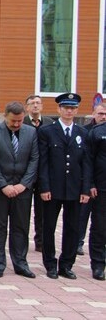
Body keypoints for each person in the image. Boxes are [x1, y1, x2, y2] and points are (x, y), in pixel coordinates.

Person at [38, 93, 92, 279]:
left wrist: (85, 189)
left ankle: (67, 264)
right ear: (59, 109)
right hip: (53, 188)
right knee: (49, 227)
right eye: (66, 107)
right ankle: (50, 264)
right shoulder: (47, 131)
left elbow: (86, 163)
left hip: (75, 189)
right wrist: (44, 187)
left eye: (73, 108)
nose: (69, 111)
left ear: (77, 110)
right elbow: (43, 162)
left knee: (73, 228)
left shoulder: (83, 133)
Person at [0, 101, 38, 278]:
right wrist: (3, 185)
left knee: (21, 227)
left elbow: (34, 160)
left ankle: (20, 263)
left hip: (22, 189)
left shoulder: (31, 132)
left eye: (20, 121)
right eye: (12, 121)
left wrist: (23, 184)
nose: (16, 124)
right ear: (4, 117)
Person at [23, 94, 54, 252]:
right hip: (26, 172)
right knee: (23, 208)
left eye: (38, 103)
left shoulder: (49, 123)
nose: (35, 106)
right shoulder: (22, 122)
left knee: (42, 210)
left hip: (43, 172)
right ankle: (22, 240)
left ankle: (40, 241)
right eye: (32, 103)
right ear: (27, 107)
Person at [76, 103, 106, 255]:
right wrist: (89, 183)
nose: (103, 116)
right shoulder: (88, 131)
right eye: (100, 113)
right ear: (93, 113)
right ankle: (78, 242)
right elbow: (87, 161)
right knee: (84, 217)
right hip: (90, 183)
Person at [87, 110, 106, 280]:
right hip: (101, 188)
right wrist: (91, 184)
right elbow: (89, 160)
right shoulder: (98, 132)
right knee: (100, 227)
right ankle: (98, 265)